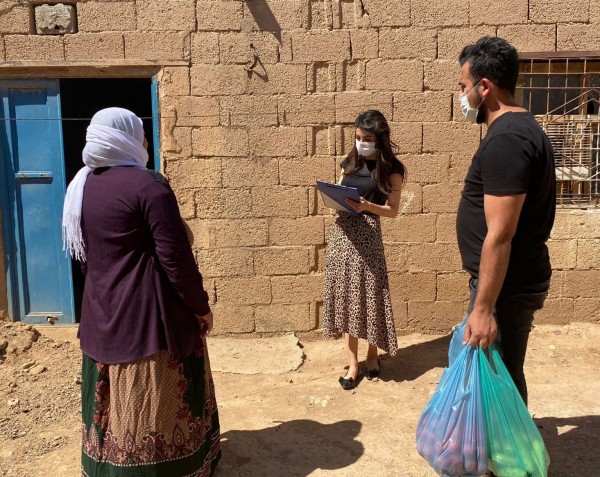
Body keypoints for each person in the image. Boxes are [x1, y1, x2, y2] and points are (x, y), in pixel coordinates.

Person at [62, 107, 221, 476]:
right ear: (129, 138)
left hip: (101, 310)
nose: (146, 142)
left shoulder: (81, 186)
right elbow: (176, 259)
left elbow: (84, 257)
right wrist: (200, 306)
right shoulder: (150, 185)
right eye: (141, 135)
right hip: (149, 314)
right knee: (156, 396)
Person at [456, 37, 556, 405]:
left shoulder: (508, 140)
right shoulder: (516, 131)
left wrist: (482, 309)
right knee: (503, 374)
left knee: (501, 382)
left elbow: (500, 234)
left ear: (486, 87)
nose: (462, 97)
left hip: (506, 287)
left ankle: (512, 459)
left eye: (464, 87)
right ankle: (507, 453)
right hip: (509, 283)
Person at [323, 110, 405, 390]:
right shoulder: (350, 162)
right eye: (357, 137)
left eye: (366, 138)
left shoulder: (392, 169)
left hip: (369, 236)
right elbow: (339, 188)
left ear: (379, 139)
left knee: (370, 298)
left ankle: (372, 355)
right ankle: (353, 363)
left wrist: (366, 206)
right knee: (348, 300)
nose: (360, 143)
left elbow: (392, 211)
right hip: (342, 236)